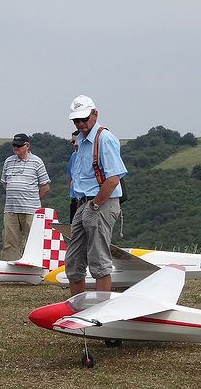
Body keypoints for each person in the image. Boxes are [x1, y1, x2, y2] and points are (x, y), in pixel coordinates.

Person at [65, 95, 127, 296]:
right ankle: (76, 308)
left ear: (95, 114)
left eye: (84, 119)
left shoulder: (105, 139)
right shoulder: (81, 141)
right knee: (74, 260)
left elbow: (113, 178)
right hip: (84, 203)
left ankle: (101, 310)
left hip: (101, 203)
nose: (81, 124)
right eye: (76, 120)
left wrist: (95, 205)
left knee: (98, 260)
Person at [0, 133, 51, 261]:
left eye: (19, 145)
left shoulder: (37, 161)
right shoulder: (8, 161)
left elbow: (45, 186)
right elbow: (4, 183)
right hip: (11, 209)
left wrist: (33, 200)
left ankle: (35, 264)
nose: (15, 148)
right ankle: (10, 268)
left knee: (33, 242)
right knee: (9, 242)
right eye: (14, 145)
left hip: (31, 210)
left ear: (27, 145)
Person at [66, 130, 80, 223]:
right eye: (73, 142)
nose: (74, 144)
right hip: (74, 199)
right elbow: (69, 176)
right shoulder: (74, 155)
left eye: (77, 141)